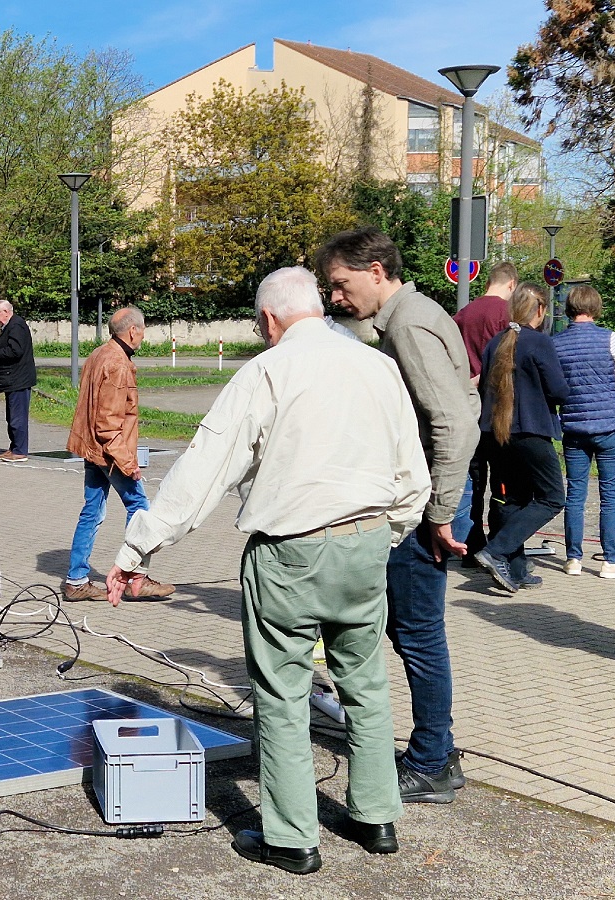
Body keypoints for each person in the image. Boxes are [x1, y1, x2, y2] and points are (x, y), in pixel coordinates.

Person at [106, 267, 430, 874]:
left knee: (283, 692)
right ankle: (376, 816)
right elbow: (412, 470)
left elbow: (206, 469)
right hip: (366, 543)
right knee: (366, 682)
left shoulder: (267, 370)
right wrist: (387, 534)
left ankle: (291, 836)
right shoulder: (377, 365)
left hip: (290, 550)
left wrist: (137, 549)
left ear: (269, 320)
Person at [317, 227, 479, 804]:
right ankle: (438, 753)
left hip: (419, 512)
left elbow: (456, 423)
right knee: (410, 630)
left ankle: (433, 761)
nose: (335, 297)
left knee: (417, 634)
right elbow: (466, 398)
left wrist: (438, 512)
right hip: (422, 505)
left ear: (377, 270)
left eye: (340, 285)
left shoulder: (407, 323)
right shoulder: (415, 314)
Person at [63, 307, 175, 602]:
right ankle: (135, 577)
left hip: (93, 450)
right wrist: (128, 462)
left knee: (92, 511)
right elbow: (108, 424)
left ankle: (76, 580)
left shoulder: (100, 353)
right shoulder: (118, 365)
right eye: (143, 329)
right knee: (139, 507)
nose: (144, 335)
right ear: (132, 331)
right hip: (109, 453)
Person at [473, 283, 570, 591]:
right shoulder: (539, 343)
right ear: (540, 310)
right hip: (530, 430)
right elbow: (558, 390)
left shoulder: (495, 342)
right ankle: (495, 550)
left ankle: (514, 570)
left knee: (513, 498)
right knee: (552, 497)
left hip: (494, 433)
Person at [553, 285, 615, 578]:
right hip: (609, 425)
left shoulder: (556, 343)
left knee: (575, 493)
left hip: (574, 426)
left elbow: (556, 387)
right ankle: (611, 561)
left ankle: (573, 558)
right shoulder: (609, 338)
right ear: (596, 308)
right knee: (610, 494)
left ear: (570, 308)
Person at [453, 262, 518, 558]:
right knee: (503, 481)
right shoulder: (506, 315)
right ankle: (497, 547)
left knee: (474, 481)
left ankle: (471, 540)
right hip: (498, 408)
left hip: (467, 406)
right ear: (512, 285)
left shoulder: (464, 314)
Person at [0, 300, 36, 460]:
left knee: (18, 417)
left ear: (6, 312)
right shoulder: (11, 326)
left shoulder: (16, 326)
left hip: (18, 379)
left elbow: (14, 351)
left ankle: (20, 451)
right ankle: (14, 447)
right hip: (12, 379)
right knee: (12, 417)